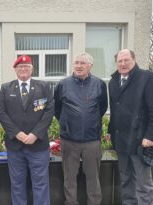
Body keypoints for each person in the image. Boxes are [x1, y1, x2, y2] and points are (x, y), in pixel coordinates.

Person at [108, 49, 153, 205]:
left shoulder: (148, 79)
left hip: (141, 141)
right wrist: (110, 131)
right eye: (120, 61)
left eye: (126, 60)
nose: (123, 63)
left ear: (134, 60)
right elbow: (114, 110)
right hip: (121, 140)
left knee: (143, 184)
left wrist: (151, 136)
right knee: (126, 180)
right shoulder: (113, 81)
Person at [0, 55, 54, 205]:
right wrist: (17, 133)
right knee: (17, 185)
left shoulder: (43, 87)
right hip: (15, 146)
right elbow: (1, 113)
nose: (23, 69)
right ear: (15, 70)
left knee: (41, 185)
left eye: (26, 66)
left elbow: (49, 112)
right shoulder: (6, 88)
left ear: (32, 69)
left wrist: (35, 134)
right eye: (20, 67)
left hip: (38, 145)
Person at [54, 52, 107, 205]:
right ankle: (71, 202)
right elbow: (57, 109)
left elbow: (102, 107)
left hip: (92, 141)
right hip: (69, 140)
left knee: (93, 178)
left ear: (90, 66)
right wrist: (67, 124)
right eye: (76, 62)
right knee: (69, 178)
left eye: (82, 63)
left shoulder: (99, 84)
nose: (78, 66)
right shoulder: (63, 84)